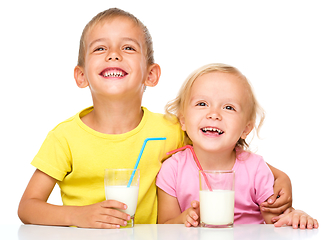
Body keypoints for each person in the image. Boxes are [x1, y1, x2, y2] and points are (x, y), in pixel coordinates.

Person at [18, 8, 291, 229]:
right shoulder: (65, 138)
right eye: (100, 49)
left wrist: (281, 177)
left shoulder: (169, 129)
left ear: (151, 74)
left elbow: (227, 150)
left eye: (128, 48)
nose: (114, 54)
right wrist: (77, 216)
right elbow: (28, 207)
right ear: (81, 75)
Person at [156, 63, 318, 229]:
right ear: (182, 120)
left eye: (229, 107)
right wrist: (183, 219)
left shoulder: (255, 169)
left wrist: (295, 216)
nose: (214, 114)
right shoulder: (172, 170)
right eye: (202, 104)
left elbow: (276, 222)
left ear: (246, 129)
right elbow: (164, 227)